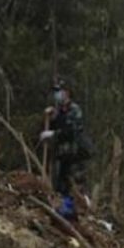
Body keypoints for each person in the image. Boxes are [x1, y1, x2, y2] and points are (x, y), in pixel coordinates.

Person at [37, 80, 91, 216]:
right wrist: (50, 118)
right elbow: (55, 125)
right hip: (62, 154)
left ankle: (79, 210)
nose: (58, 95)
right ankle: (64, 209)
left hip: (75, 153)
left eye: (60, 92)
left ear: (67, 93)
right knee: (61, 183)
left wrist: (53, 134)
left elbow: (71, 130)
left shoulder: (75, 110)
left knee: (76, 182)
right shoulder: (60, 111)